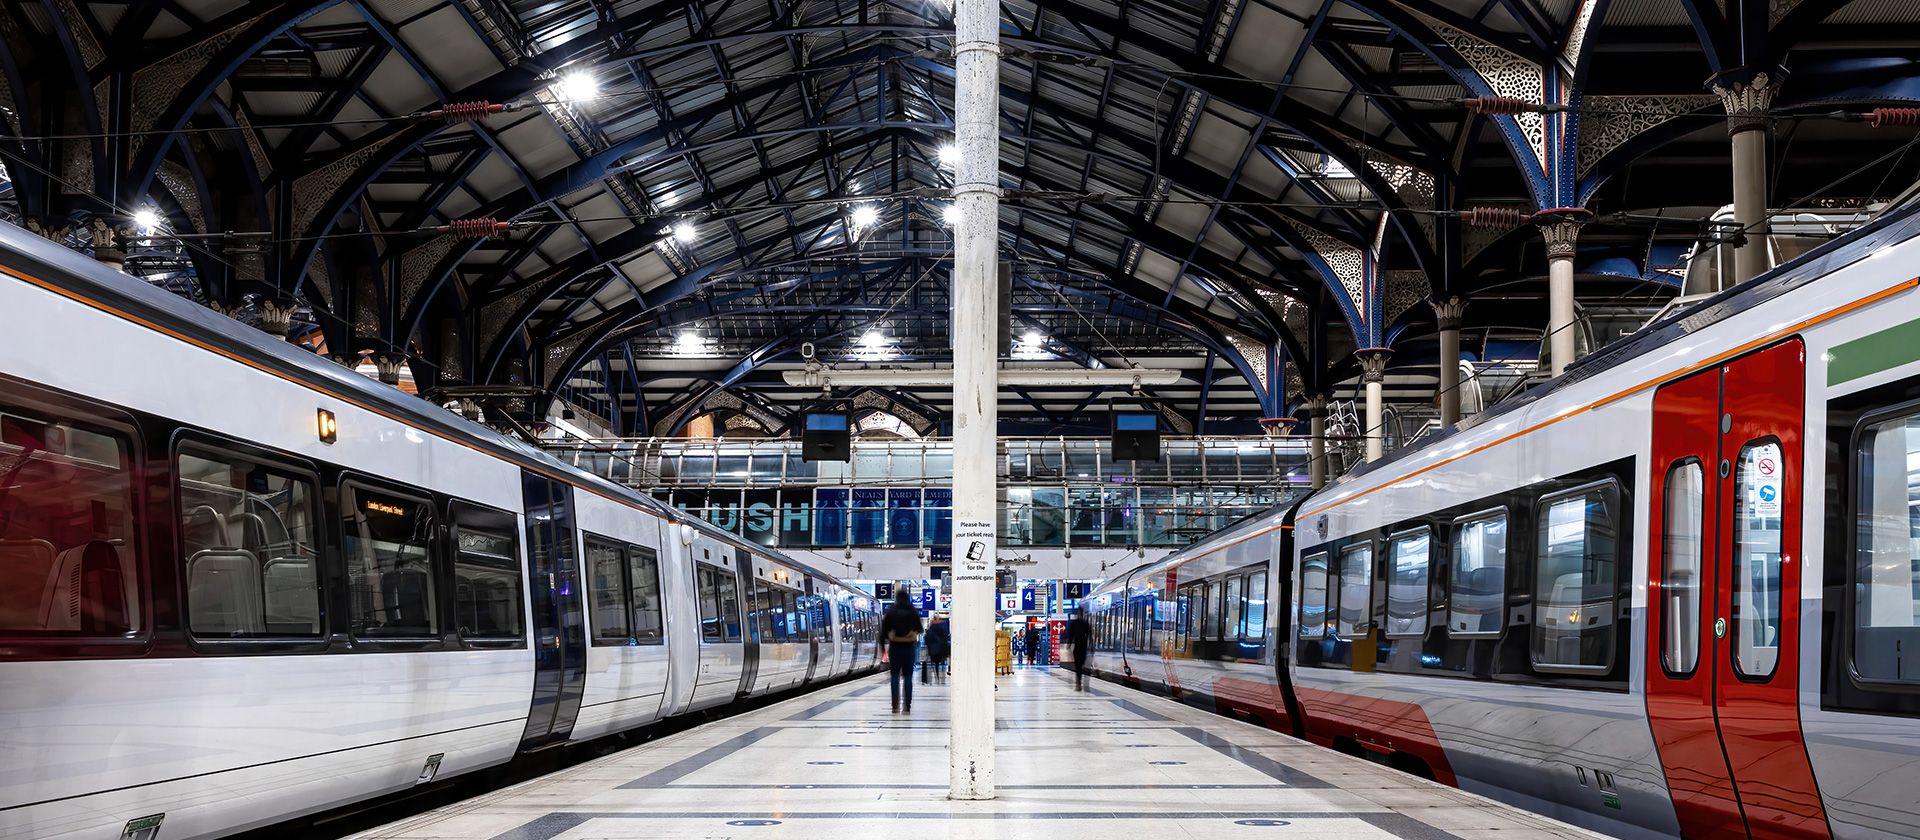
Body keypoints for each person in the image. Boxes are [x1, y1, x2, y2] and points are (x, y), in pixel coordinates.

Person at [879, 590, 923, 713]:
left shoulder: (891, 612)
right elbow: (920, 629)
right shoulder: (913, 612)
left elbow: (883, 633)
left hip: (895, 648)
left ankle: (895, 705)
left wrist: (882, 648)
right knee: (908, 677)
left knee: (894, 676)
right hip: (909, 648)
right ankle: (907, 706)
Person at [1065, 607, 1093, 691]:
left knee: (1078, 666)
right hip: (1083, 647)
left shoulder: (1074, 624)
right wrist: (1091, 646)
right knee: (1082, 665)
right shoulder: (1086, 623)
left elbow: (1070, 635)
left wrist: (1069, 645)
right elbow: (1090, 635)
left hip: (1078, 648)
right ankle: (1082, 683)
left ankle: (1079, 683)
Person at [923, 613, 951, 684]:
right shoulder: (943, 626)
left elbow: (927, 639)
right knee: (942, 664)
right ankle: (942, 679)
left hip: (932, 648)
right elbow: (946, 636)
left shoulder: (931, 628)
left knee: (934, 664)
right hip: (941, 648)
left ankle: (936, 677)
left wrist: (928, 646)